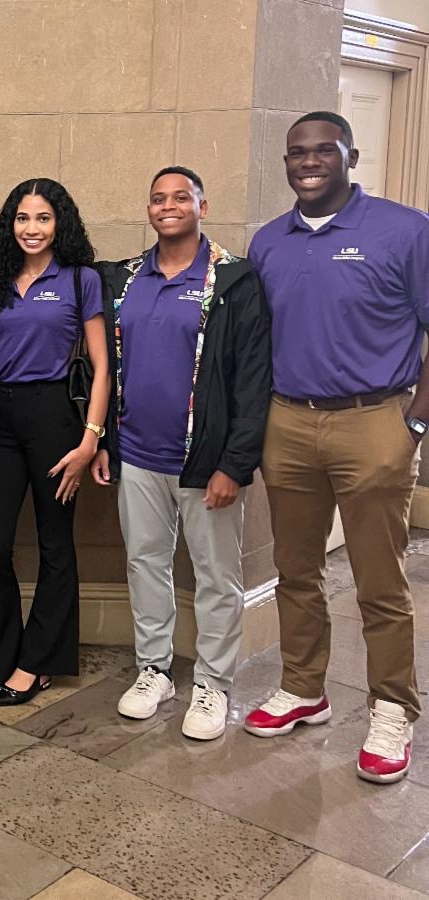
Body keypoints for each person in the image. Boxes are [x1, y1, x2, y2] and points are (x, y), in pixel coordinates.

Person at [245, 111, 429, 783]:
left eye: (325, 150)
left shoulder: (406, 231)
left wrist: (413, 424)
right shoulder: (269, 242)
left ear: (351, 155)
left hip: (373, 421)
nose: (310, 161)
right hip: (288, 423)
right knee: (296, 570)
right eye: (299, 152)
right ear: (286, 161)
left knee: (381, 584)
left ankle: (392, 708)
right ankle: (303, 688)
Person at [91, 167, 271, 741]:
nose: (168, 206)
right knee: (146, 563)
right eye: (158, 198)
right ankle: (155, 671)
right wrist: (105, 443)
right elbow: (107, 368)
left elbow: (252, 380)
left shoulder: (234, 281)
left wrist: (235, 465)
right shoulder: (125, 279)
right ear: (148, 209)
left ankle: (214, 681)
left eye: (180, 197)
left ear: (202, 203)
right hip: (138, 454)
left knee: (216, 575)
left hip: (205, 462)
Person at [0, 179, 110, 706]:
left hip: (55, 418)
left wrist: (89, 440)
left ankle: (37, 662)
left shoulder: (80, 280)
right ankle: (2, 655)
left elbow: (101, 369)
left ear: (61, 224)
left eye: (43, 218)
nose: (32, 229)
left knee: (55, 544)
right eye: (23, 218)